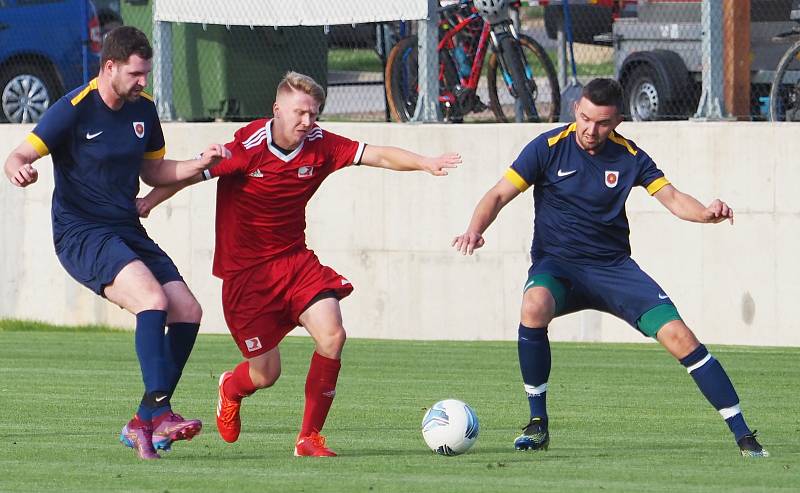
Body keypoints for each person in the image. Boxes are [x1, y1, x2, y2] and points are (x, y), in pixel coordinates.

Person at [137, 71, 461, 457]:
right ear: (277, 109)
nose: (307, 122)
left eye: (314, 114)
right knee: (265, 374)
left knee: (333, 334)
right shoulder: (248, 146)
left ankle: (309, 438)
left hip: (295, 262)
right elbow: (193, 173)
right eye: (300, 113)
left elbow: (375, 154)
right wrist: (150, 201)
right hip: (247, 278)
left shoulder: (321, 144)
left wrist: (424, 162)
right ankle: (230, 388)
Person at [452, 78, 768, 458]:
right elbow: (499, 193)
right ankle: (538, 424)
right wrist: (475, 229)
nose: (590, 129)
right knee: (533, 306)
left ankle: (744, 436)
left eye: (601, 122)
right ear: (575, 110)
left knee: (681, 338)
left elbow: (671, 197)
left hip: (614, 270)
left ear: (617, 120)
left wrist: (705, 214)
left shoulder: (630, 156)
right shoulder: (548, 148)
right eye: (585, 118)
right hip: (559, 268)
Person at [3, 26, 229, 460]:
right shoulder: (73, 109)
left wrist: (200, 163)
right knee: (151, 299)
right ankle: (161, 411)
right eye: (136, 73)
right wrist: (18, 169)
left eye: (146, 73)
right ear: (110, 67)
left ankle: (144, 418)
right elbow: (20, 154)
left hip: (125, 228)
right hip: (81, 233)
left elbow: (155, 174)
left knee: (187, 309)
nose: (143, 81)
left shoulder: (143, 109)